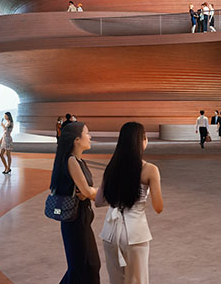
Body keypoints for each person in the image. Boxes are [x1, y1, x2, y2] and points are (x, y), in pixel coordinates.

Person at [97, 122, 163, 283]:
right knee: (137, 280)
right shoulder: (150, 169)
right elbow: (158, 207)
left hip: (110, 231)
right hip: (135, 233)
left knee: (116, 280)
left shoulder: (111, 167)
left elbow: (99, 201)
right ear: (142, 141)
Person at [51, 121, 100, 283]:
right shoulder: (71, 160)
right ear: (76, 140)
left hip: (82, 220)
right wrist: (93, 191)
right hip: (75, 221)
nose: (90, 136)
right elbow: (86, 191)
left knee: (88, 265)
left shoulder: (79, 162)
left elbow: (87, 192)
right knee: (83, 267)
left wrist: (90, 192)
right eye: (87, 133)